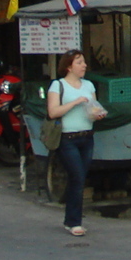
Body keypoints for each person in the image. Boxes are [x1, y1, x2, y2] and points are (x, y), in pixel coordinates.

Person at [47, 51, 105, 237]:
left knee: (78, 178)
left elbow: (93, 108)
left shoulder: (88, 85)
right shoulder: (58, 85)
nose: (84, 65)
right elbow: (53, 112)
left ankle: (70, 218)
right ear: (69, 66)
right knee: (77, 177)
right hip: (67, 139)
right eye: (79, 62)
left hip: (87, 136)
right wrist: (76, 102)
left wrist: (97, 114)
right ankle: (75, 222)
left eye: (84, 62)